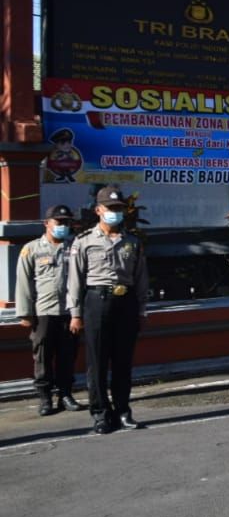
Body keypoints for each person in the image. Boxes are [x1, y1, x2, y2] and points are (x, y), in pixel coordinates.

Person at [68, 185, 148, 434]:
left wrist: (142, 310)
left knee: (123, 361)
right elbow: (75, 280)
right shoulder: (84, 241)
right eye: (111, 208)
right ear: (98, 210)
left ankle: (123, 410)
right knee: (98, 362)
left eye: (119, 209)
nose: (115, 212)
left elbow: (141, 278)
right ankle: (101, 414)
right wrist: (76, 313)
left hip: (126, 303)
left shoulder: (132, 242)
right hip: (96, 301)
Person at [16, 205, 82, 416]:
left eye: (66, 222)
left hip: (69, 312)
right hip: (43, 311)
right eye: (59, 222)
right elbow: (23, 283)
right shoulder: (32, 249)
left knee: (67, 355)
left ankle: (65, 394)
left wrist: (79, 313)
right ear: (47, 224)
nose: (63, 226)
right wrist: (25, 313)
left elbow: (82, 280)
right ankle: (45, 398)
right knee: (42, 356)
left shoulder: (75, 248)